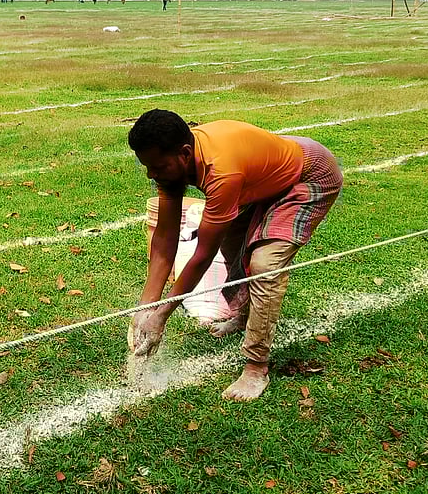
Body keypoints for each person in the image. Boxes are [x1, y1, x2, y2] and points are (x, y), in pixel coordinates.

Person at [128, 110, 343, 401]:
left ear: (185, 153)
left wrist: (162, 314)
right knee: (232, 241)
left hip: (309, 174)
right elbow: (164, 240)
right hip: (267, 171)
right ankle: (242, 315)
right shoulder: (171, 161)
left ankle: (256, 367)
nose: (152, 174)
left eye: (158, 167)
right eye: (147, 167)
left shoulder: (222, 171)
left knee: (264, 264)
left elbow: (203, 254)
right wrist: (144, 309)